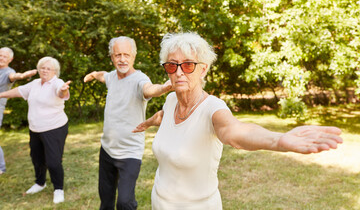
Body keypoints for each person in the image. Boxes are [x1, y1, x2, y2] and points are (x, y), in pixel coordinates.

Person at [133, 32, 343, 209]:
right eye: (172, 65)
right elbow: (166, 117)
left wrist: (277, 140)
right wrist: (150, 121)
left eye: (187, 65)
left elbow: (235, 131)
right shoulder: (171, 101)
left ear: (203, 68)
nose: (179, 72)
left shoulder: (212, 109)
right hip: (159, 203)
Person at [83, 36, 173, 210]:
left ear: (134, 56)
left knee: (124, 202)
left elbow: (149, 89)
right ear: (112, 57)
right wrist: (94, 75)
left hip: (130, 153)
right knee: (106, 200)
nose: (122, 59)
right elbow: (103, 76)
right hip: (107, 150)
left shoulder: (139, 79)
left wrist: (163, 88)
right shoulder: (111, 77)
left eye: (126, 55)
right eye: (118, 55)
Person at [0, 56, 71, 204]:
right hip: (35, 129)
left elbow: (61, 93)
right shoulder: (35, 83)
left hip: (54, 128)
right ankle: (40, 183)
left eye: (48, 68)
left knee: (53, 162)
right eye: (42, 68)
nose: (44, 71)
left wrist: (64, 91)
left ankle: (58, 189)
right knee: (37, 158)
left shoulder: (58, 83)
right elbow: (19, 91)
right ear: (38, 69)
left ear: (55, 71)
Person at [0, 47, 37, 175]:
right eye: (0, 55)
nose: (1, 58)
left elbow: (15, 76)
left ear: (10, 59)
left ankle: (1, 167)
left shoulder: (8, 72)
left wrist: (24, 75)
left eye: (4, 56)